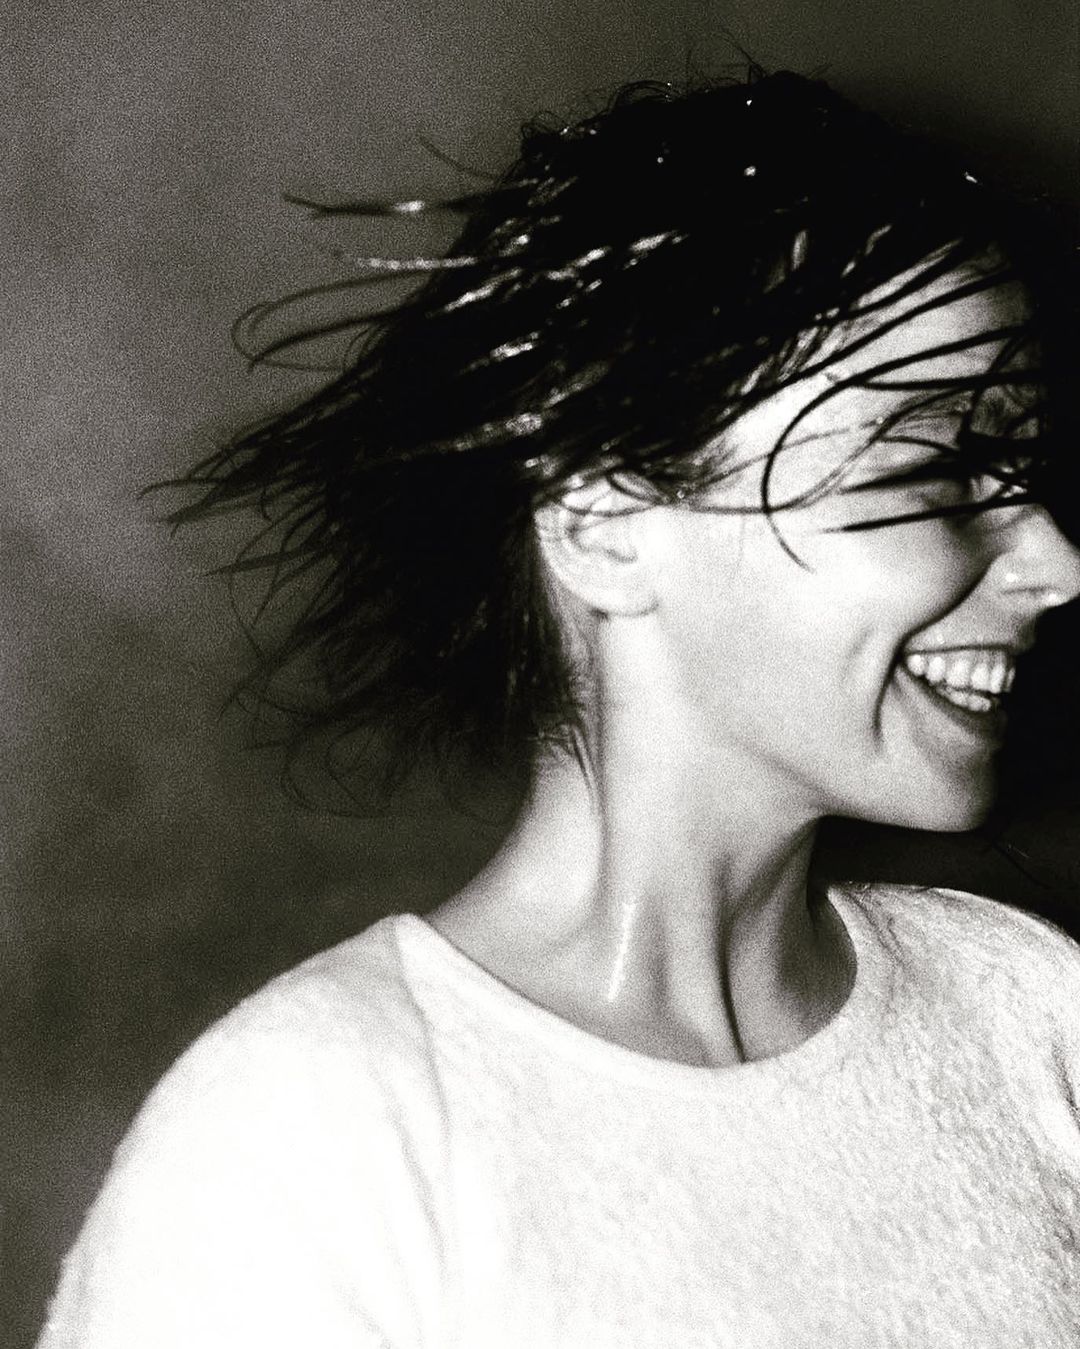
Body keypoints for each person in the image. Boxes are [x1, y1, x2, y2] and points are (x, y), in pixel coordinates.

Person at [37, 70, 1080, 1347]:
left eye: (1021, 463)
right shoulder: (318, 1133)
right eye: (937, 466)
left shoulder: (1031, 1009)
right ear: (604, 522)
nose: (1056, 561)